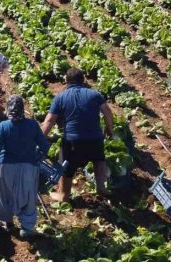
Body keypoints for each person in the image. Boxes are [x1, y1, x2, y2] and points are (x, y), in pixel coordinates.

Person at [41, 68, 115, 202]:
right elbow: (108, 113)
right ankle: (101, 187)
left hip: (73, 141)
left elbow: (49, 120)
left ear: (66, 81)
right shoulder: (95, 94)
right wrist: (109, 130)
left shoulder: (60, 97)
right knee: (99, 160)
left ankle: (63, 195)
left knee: (66, 167)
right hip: (95, 138)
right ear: (83, 80)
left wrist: (38, 140)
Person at [0, 95, 50, 237]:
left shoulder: (4, 126)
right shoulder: (32, 125)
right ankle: (26, 228)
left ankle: (7, 222)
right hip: (29, 167)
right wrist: (37, 158)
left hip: (7, 167)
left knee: (5, 195)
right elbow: (45, 146)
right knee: (28, 196)